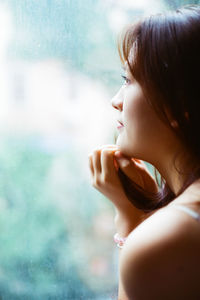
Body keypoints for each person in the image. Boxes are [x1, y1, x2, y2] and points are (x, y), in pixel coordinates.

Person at [88, 5, 200, 300]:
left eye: (127, 80)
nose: (116, 100)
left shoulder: (163, 243)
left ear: (178, 106)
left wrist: (132, 220)